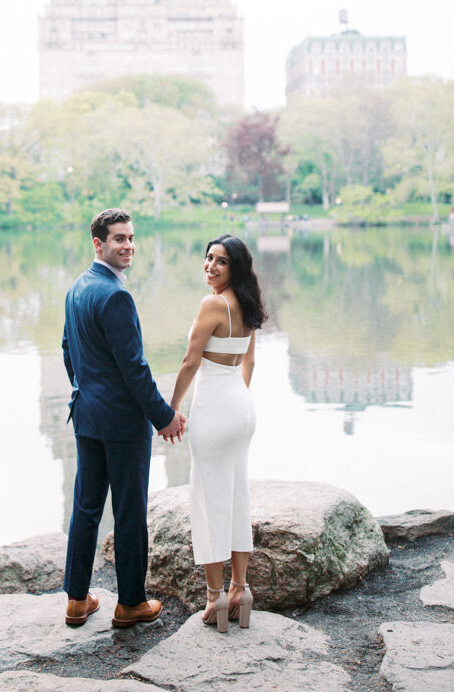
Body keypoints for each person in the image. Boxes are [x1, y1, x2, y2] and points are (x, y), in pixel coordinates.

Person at [62, 208, 186, 628]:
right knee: (129, 511)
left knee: (86, 507)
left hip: (87, 414)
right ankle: (131, 603)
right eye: (119, 239)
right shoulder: (115, 295)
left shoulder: (78, 287)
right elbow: (135, 368)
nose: (128, 245)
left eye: (131, 238)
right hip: (120, 423)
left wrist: (86, 392)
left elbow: (67, 350)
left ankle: (76, 600)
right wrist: (163, 416)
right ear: (99, 244)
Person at [161, 234, 267, 633]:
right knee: (237, 495)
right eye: (208, 258)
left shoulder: (212, 304)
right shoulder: (248, 303)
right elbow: (249, 361)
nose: (210, 266)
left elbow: (190, 361)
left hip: (215, 406)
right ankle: (241, 588)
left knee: (207, 499)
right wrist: (236, 398)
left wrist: (170, 409)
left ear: (235, 267)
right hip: (240, 407)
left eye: (220, 261)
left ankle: (215, 596)